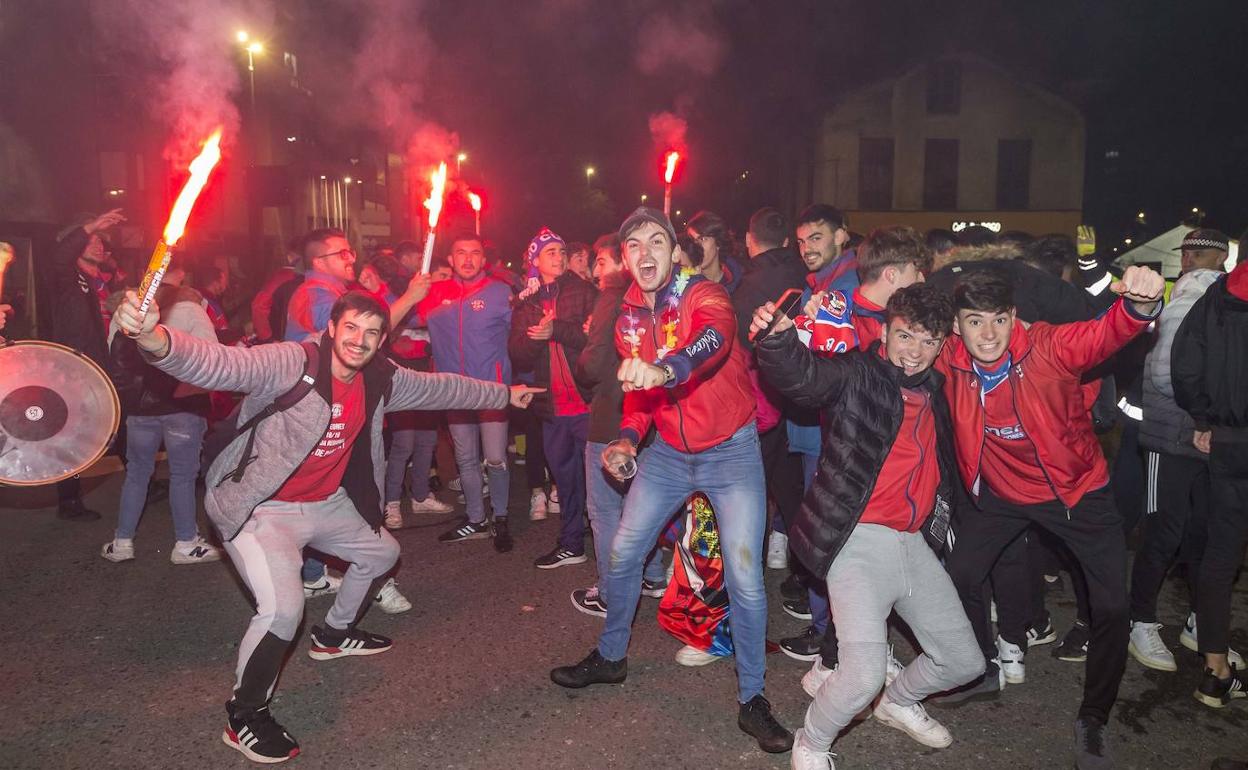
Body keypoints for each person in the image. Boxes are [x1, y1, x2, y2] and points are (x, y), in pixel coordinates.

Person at [113, 288, 541, 764]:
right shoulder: (290, 362)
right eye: (351, 328)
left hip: (325, 501)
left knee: (382, 553)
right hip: (261, 507)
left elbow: (444, 386)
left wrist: (505, 393)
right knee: (282, 611)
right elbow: (219, 364)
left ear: (382, 341)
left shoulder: (382, 377)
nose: (360, 341)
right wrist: (154, 338)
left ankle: (333, 636)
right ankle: (245, 714)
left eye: (372, 333)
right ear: (332, 328)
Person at [549, 207, 791, 754]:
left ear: (674, 251)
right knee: (623, 552)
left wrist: (669, 367)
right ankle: (611, 659)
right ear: (627, 259)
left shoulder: (704, 294)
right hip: (668, 454)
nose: (646, 253)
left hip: (732, 454)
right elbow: (641, 393)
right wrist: (628, 438)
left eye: (656, 241)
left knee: (747, 578)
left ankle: (752, 699)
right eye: (634, 246)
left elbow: (716, 339)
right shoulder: (631, 310)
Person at [933, 266, 1165, 770]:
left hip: (1076, 492)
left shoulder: (1049, 347)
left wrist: (1142, 305)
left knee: (1111, 607)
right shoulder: (949, 356)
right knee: (962, 574)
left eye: (998, 320)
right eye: (975, 322)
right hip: (1002, 493)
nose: (988, 334)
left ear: (1014, 318)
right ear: (957, 327)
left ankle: (1094, 718)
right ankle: (982, 669)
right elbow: (892, 337)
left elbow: (1107, 331)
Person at [754, 283, 984, 769]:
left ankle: (898, 701)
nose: (914, 352)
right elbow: (808, 377)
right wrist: (777, 341)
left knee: (965, 661)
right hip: (856, 541)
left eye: (928, 341)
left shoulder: (937, 389)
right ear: (884, 331)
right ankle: (811, 742)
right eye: (905, 336)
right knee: (860, 676)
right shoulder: (859, 374)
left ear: (942, 344)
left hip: (914, 543)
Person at [782, 225, 930, 669]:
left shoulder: (896, 321)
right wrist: (787, 334)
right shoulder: (839, 313)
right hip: (847, 458)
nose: (923, 282)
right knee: (836, 547)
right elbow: (805, 375)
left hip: (895, 468)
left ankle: (846, 649)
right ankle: (835, 646)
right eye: (916, 274)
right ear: (892, 274)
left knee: (870, 561)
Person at [1132, 266, 1234, 672]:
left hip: (1209, 443)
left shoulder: (1227, 304)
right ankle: (1139, 620)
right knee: (1162, 533)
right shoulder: (1190, 303)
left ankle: (1199, 623)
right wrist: (1210, 412)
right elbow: (1166, 374)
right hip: (1170, 440)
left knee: (1204, 535)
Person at [569, 236, 667, 615]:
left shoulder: (612, 298)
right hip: (647, 413)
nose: (595, 271)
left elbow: (593, 365)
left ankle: (611, 593)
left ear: (619, 262)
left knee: (606, 509)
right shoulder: (649, 294)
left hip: (614, 412)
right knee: (638, 503)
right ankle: (654, 575)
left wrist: (584, 361)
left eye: (601, 263)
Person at [1172, 249, 1248, 709]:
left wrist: (1203, 419)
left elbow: (1185, 365)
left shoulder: (1216, 296)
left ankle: (1215, 669)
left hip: (1227, 442)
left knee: (1221, 553)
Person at [101, 282, 221, 565]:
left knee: (137, 473)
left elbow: (114, 359)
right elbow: (212, 355)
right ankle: (186, 543)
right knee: (182, 475)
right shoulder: (191, 311)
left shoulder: (125, 314)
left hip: (139, 409)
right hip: (183, 405)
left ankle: (122, 543)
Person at [417, 233, 516, 552]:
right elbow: (398, 313)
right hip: (455, 390)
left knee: (497, 458)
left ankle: (500, 517)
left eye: (475, 253)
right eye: (461, 253)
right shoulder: (435, 293)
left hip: (491, 389)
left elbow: (524, 333)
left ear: (484, 260)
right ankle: (475, 518)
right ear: (450, 259)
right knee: (466, 458)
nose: (469, 259)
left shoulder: (501, 292)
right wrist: (411, 287)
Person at [509, 228, 597, 567]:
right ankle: (572, 544)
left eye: (561, 251)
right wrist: (536, 339)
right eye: (551, 253)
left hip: (587, 403)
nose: (559, 257)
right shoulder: (526, 303)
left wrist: (555, 329)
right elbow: (517, 355)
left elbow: (595, 342)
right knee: (566, 481)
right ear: (535, 261)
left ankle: (615, 552)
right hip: (553, 409)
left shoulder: (584, 291)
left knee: (602, 483)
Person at [731, 207, 807, 576]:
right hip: (799, 396)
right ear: (789, 240)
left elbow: (740, 347)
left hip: (761, 399)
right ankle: (806, 574)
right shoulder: (802, 272)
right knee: (791, 488)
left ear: (749, 241)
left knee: (753, 490)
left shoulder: (749, 286)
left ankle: (750, 572)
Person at [47, 208, 126, 521]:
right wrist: (89, 225)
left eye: (99, 241)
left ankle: (140, 477)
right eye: (90, 240)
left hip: (97, 368)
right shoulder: (66, 278)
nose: (99, 245)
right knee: (69, 436)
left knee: (118, 423)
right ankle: (68, 501)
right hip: (73, 372)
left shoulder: (94, 284)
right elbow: (58, 257)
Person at [251, 237, 304, 344]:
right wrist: (269, 339)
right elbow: (258, 307)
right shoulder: (283, 278)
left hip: (290, 343)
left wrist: (268, 338)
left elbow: (258, 306)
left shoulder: (282, 278)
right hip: (290, 344)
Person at [686, 210, 745, 294]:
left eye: (702, 239)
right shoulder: (683, 284)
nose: (696, 247)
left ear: (718, 242)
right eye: (693, 241)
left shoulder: (741, 284)